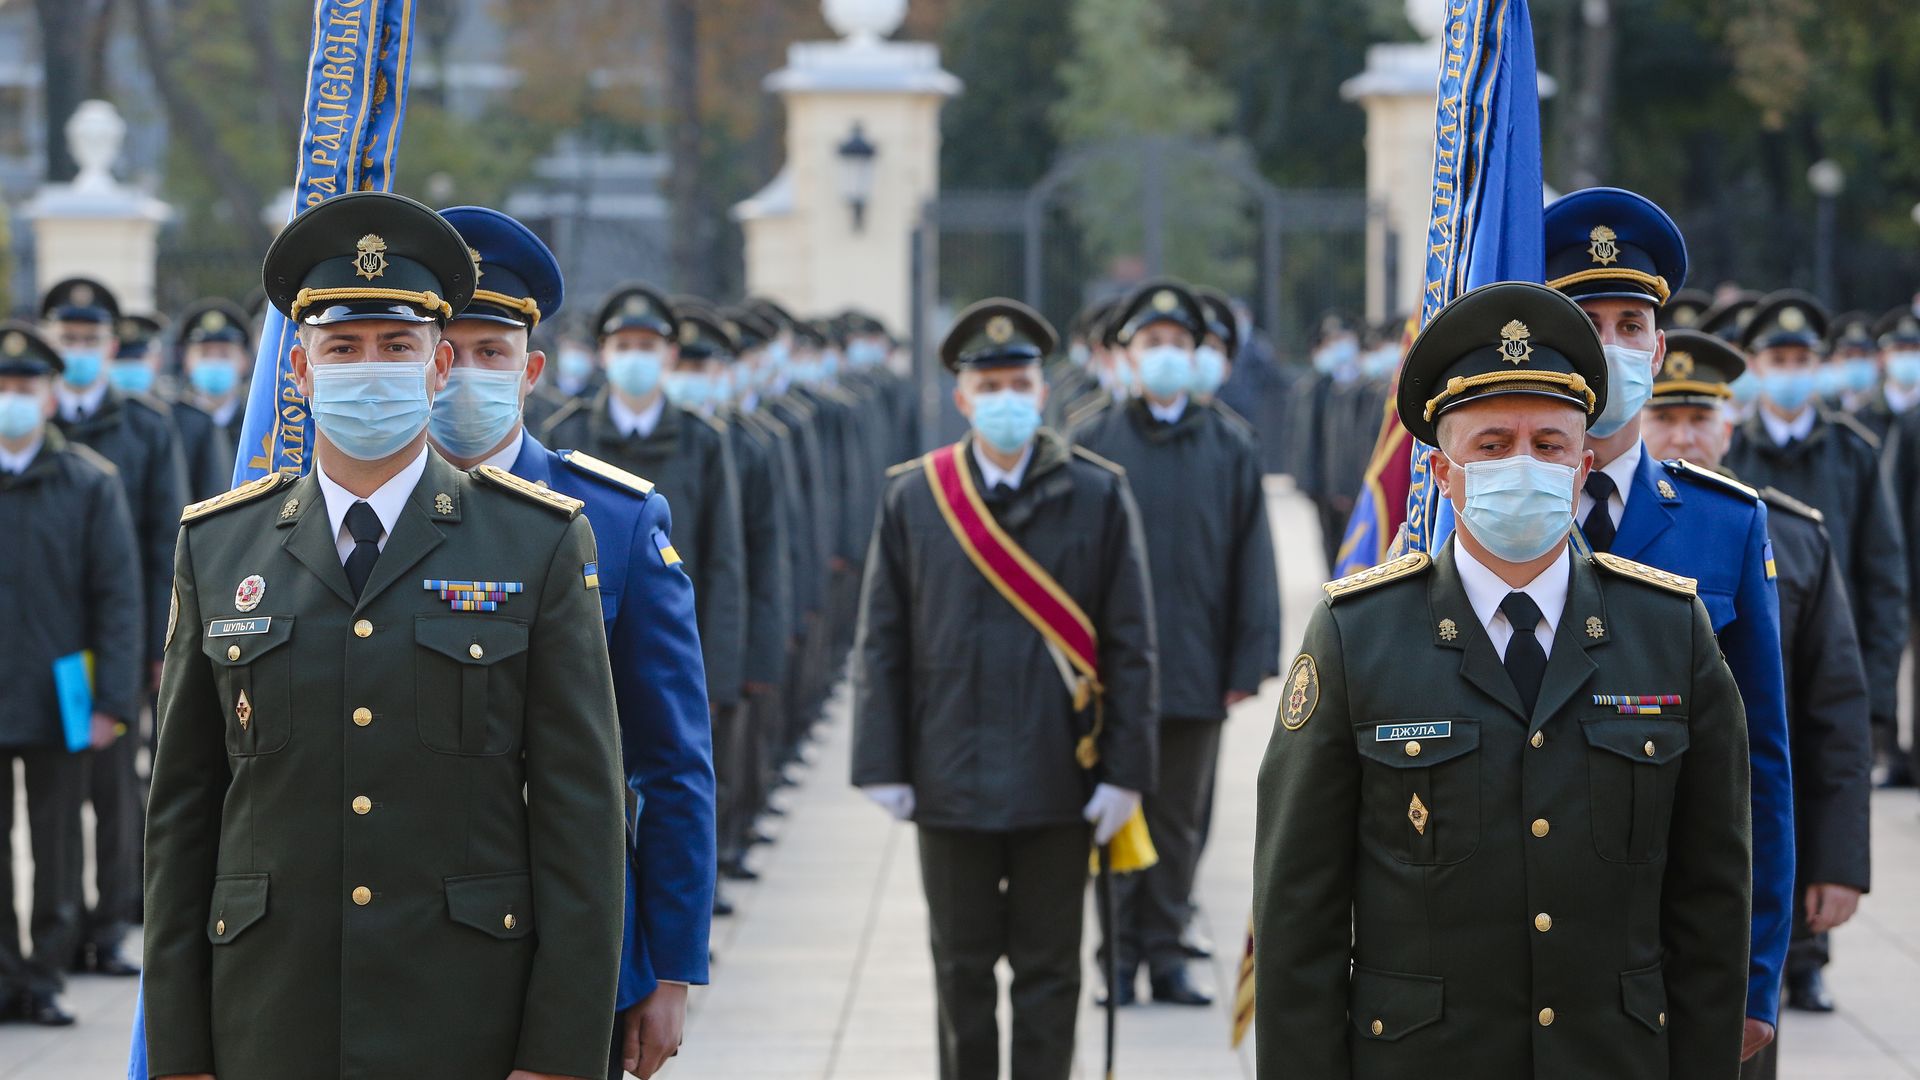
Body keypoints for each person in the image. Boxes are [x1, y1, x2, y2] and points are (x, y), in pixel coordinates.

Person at [142, 190, 626, 1080]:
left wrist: (559, 1055)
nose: (371, 369)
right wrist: (177, 1052)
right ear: (300, 369)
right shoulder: (218, 546)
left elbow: (581, 821)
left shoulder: (539, 541)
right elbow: (181, 814)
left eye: (397, 347)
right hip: (268, 1013)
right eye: (343, 348)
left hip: (463, 1013)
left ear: (439, 366)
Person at [1254, 280, 1753, 1078]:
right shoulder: (1359, 635)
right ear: (1442, 473)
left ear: (1584, 464)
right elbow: (1297, 918)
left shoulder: (1667, 631)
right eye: (1491, 445)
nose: (1524, 464)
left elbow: (1712, 905)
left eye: (1549, 445)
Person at [425, 205, 716, 1079]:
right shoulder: (360, 521)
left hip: (568, 937)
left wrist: (670, 967)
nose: (466, 376)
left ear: (533, 370)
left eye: (492, 354)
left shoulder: (615, 522)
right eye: (450, 353)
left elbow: (671, 762)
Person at [852, 299, 1157, 1080]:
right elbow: (882, 642)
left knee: (1050, 973)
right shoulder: (915, 497)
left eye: (1019, 382)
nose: (1006, 400)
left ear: (1043, 391)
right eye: (989, 387)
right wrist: (881, 762)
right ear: (961, 398)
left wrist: (1126, 772)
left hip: (1061, 770)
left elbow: (1130, 645)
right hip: (949, 773)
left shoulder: (1097, 492)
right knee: (960, 971)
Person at [1542, 187, 1793, 1056]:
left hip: (1670, 945)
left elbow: (1761, 767)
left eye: (1632, 323)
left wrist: (1757, 973)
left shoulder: (1727, 524)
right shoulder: (1479, 510)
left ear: (1659, 342)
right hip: (1521, 953)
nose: (1612, 346)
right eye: (1586, 318)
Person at [1640, 329, 1873, 1078]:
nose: (1684, 436)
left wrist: (1838, 861)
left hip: (1747, 851)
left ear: (1728, 426)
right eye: (1666, 420)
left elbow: (1829, 714)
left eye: (1699, 420)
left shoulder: (1788, 536)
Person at [1072, 280, 1278, 1008]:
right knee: (1114, 813)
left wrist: (1250, 661)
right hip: (1108, 675)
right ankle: (1117, 960)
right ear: (1125, 355)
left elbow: (1253, 560)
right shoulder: (1090, 440)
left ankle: (1167, 956)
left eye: (1178, 345)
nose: (1165, 355)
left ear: (1198, 356)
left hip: (1196, 663)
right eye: (1151, 344)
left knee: (1181, 819)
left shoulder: (1229, 441)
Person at [542, 284, 748, 789]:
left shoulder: (703, 440)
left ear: (669, 355)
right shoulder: (563, 435)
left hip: (673, 644)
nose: (636, 359)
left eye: (648, 348)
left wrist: (718, 673)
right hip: (583, 645)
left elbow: (725, 558)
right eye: (624, 347)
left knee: (672, 783)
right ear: (604, 355)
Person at [42, 276, 188, 979]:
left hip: (115, 636)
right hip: (41, 640)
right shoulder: (37, 420)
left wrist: (162, 639)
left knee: (113, 788)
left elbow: (168, 539)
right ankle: (60, 925)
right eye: (65, 341)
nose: (79, 353)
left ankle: (111, 923)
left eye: (89, 340)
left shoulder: (145, 426)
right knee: (53, 799)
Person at [0, 323, 142, 1026]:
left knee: (57, 843)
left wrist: (112, 700)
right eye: (3, 388)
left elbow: (117, 598)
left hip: (60, 695)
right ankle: (1, 976)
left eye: (24, 388)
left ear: (50, 398)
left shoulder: (89, 482)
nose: (12, 400)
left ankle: (43, 976)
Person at [1725, 292, 1908, 818]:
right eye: (1778, 361)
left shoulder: (1854, 453)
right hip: (1749, 676)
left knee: (1828, 832)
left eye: (1801, 361)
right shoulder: (1730, 451)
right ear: (1755, 365)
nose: (1790, 373)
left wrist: (1876, 696)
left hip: (1832, 676)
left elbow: (1883, 578)